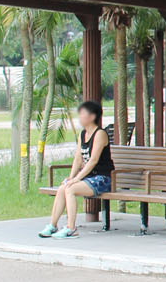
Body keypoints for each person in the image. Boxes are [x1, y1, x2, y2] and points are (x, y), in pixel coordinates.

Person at [40, 100, 116, 238]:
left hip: (103, 178)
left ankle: (71, 228)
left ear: (92, 117)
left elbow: (93, 161)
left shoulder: (100, 134)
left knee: (71, 189)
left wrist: (76, 179)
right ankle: (53, 225)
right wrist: (71, 177)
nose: (80, 117)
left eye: (83, 114)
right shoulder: (83, 134)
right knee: (64, 187)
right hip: (89, 178)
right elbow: (78, 158)